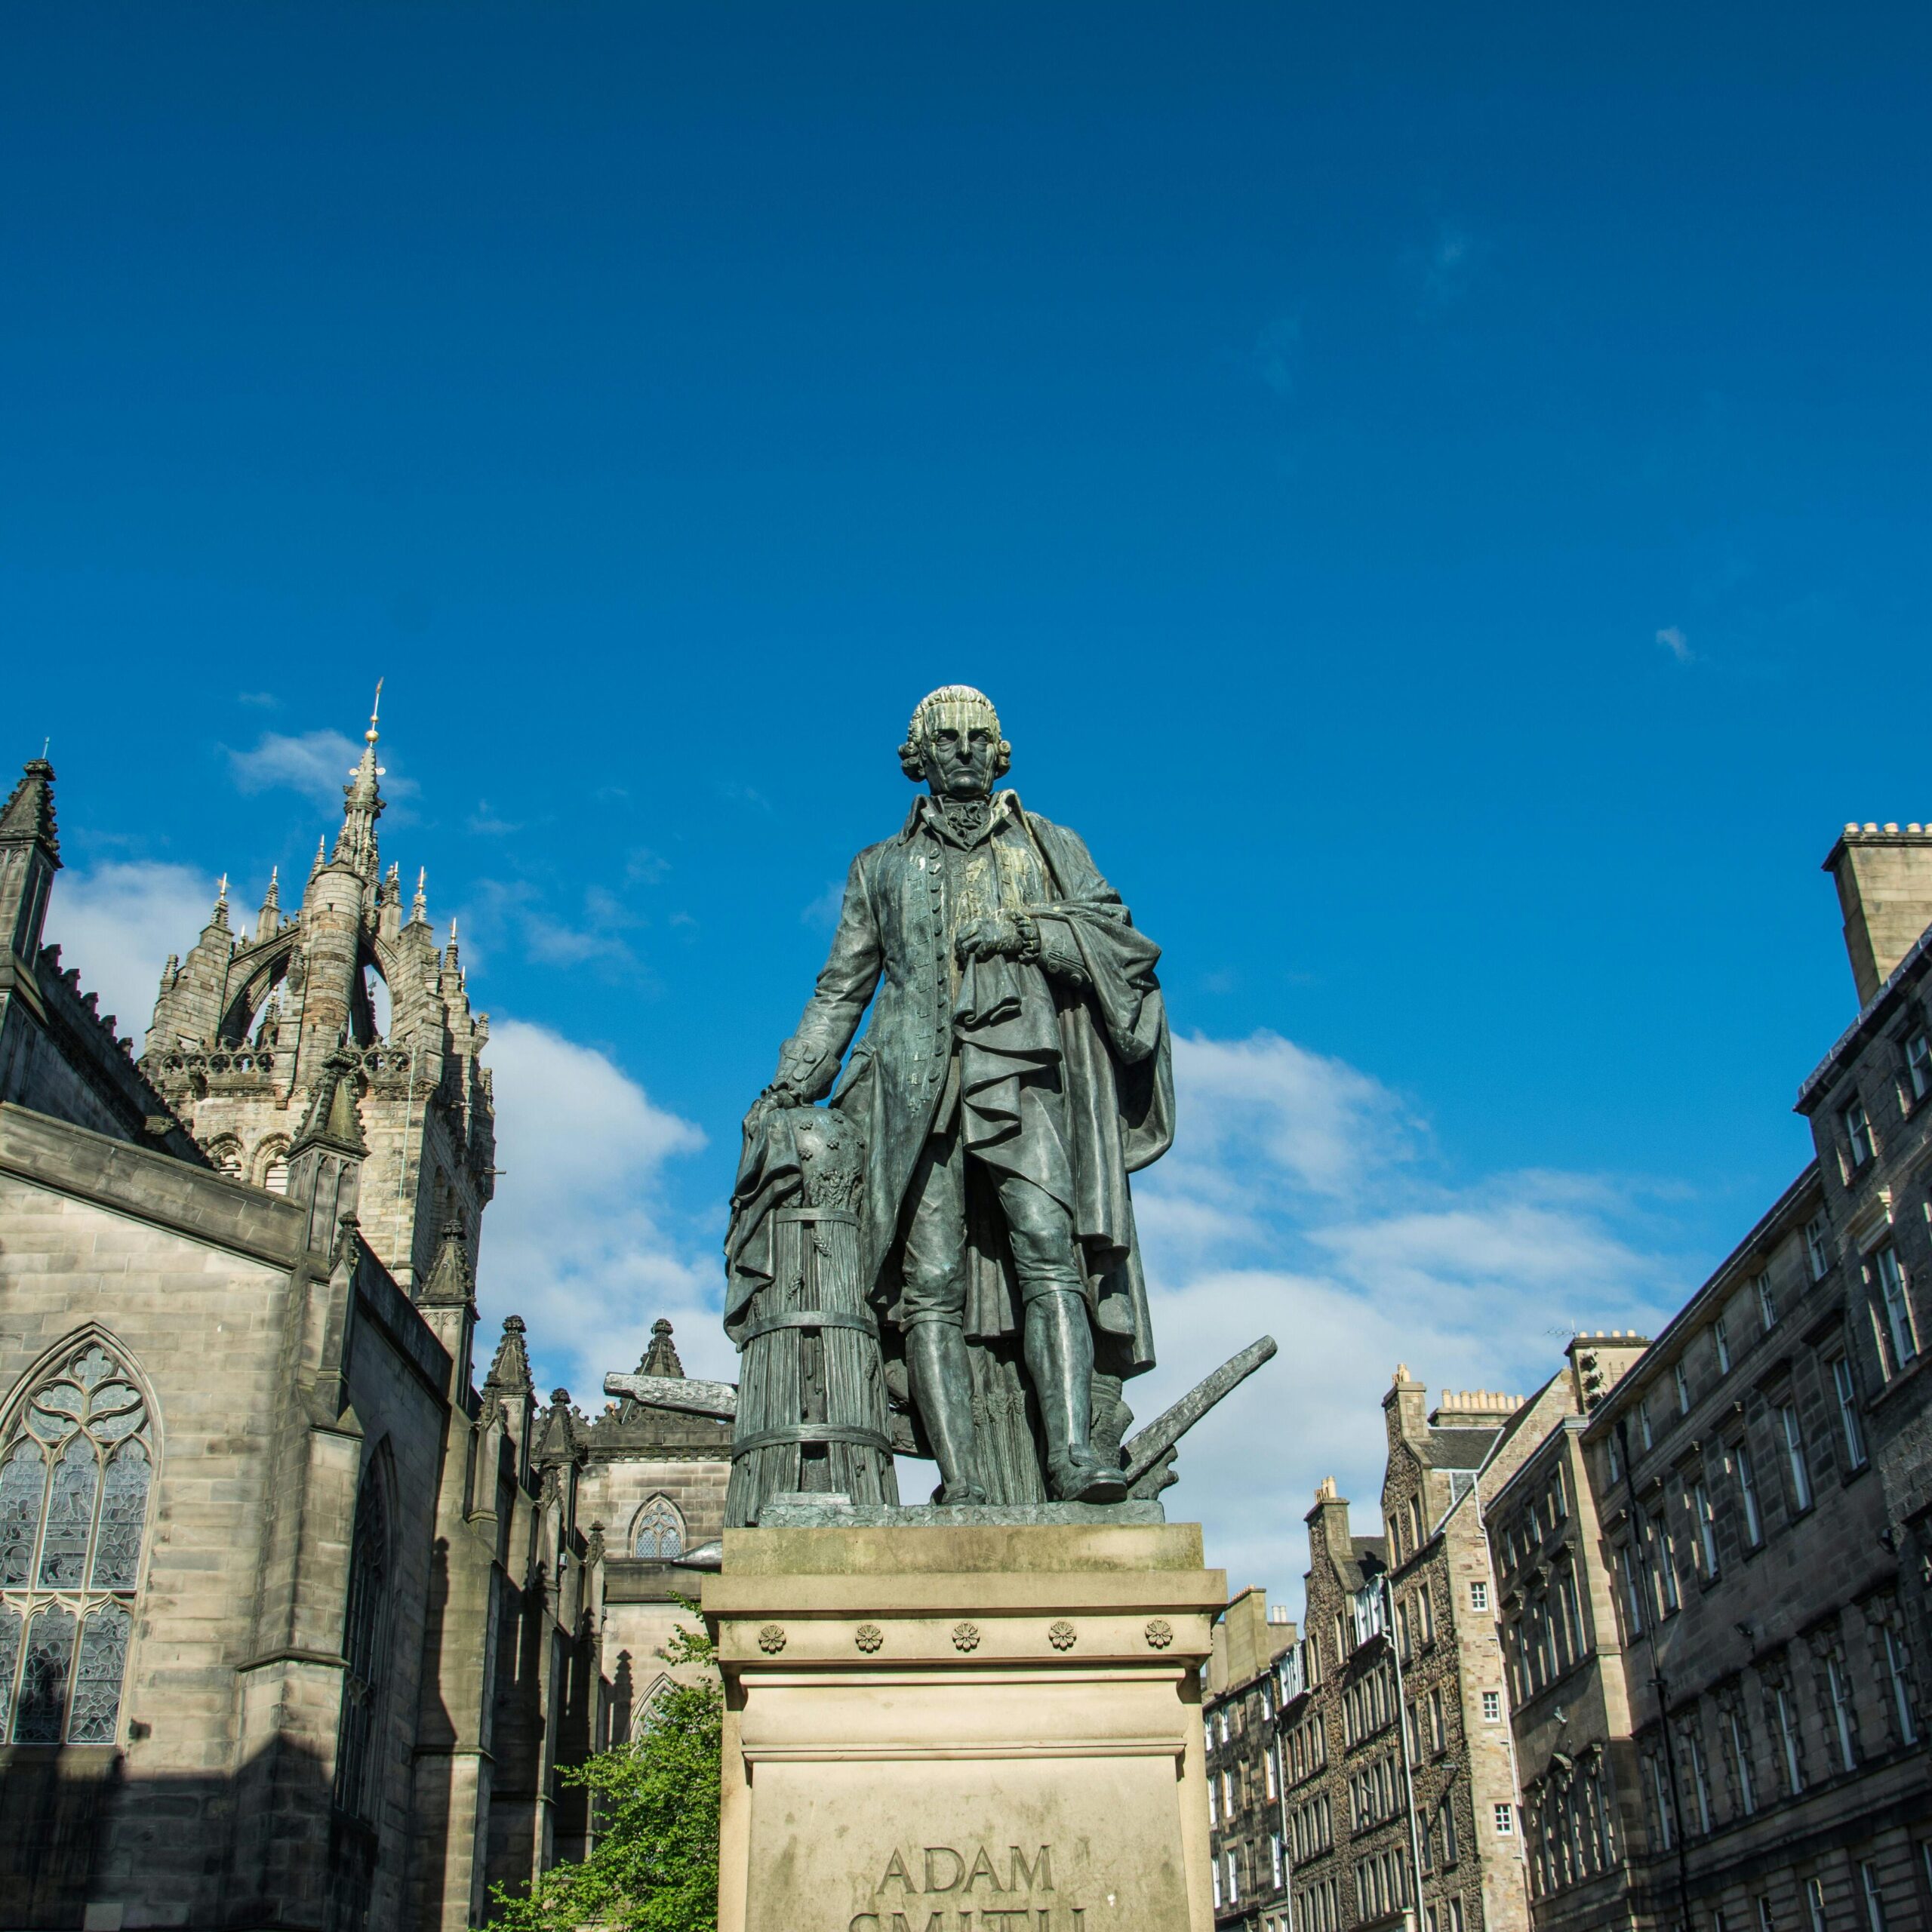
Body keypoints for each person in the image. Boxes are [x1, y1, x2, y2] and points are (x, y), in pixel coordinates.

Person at [738, 685, 1173, 1504]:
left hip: (1025, 1071)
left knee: (1049, 1252)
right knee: (927, 1279)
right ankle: (962, 1477)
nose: (965, 749)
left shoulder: (1050, 846)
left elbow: (1119, 942)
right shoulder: (879, 866)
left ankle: (1074, 1455)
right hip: (911, 1088)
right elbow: (841, 990)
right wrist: (791, 1083)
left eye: (980, 736)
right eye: (947, 739)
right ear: (921, 756)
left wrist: (1028, 932)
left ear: (999, 750)